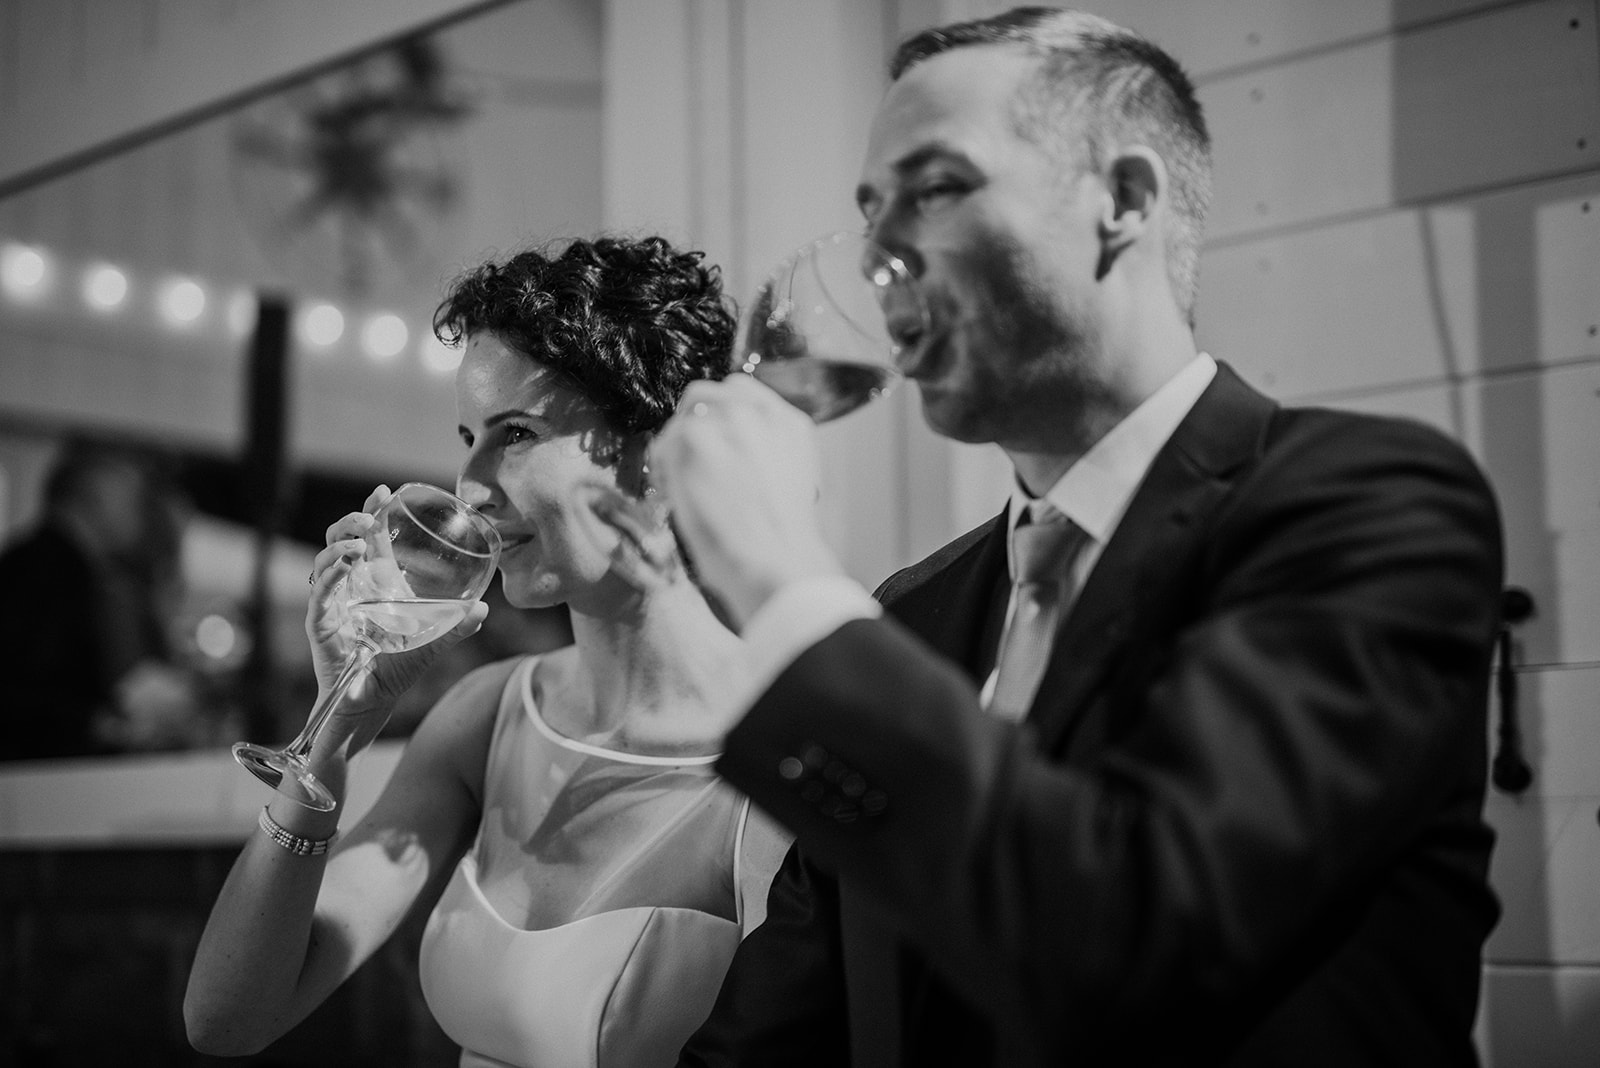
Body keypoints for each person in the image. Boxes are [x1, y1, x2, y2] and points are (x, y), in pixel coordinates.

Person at [651, 8, 1504, 1066]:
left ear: (1123, 202)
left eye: (935, 190)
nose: (875, 255)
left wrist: (778, 580)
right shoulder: (909, 618)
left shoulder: (1369, 503)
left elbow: (1145, 941)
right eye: (869, 211)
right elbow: (776, 1034)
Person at [184, 235, 791, 1068]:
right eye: (470, 434)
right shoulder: (490, 716)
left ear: (656, 453)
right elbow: (226, 1021)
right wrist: (332, 736)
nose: (469, 485)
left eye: (515, 434)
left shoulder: (782, 757)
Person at [0, 439, 196, 760]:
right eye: (132, 499)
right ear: (98, 496)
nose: (139, 516)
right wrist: (103, 724)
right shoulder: (49, 571)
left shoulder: (50, 564)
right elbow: (22, 690)